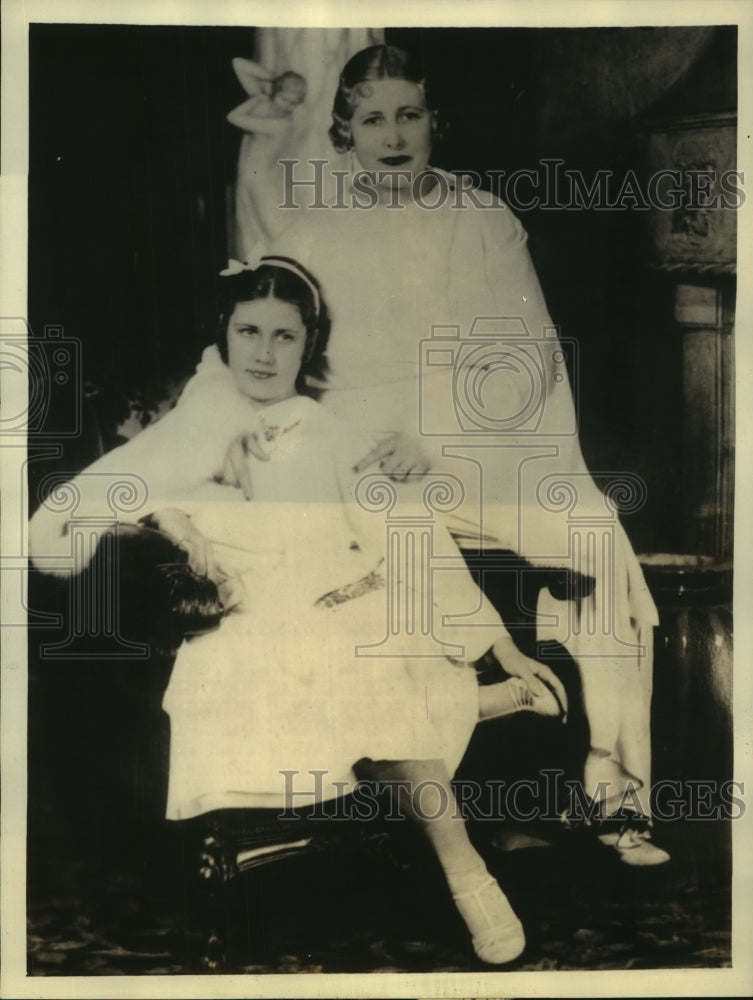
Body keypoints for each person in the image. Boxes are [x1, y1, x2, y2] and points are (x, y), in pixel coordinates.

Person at [185, 44, 668, 865]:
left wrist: (436, 440)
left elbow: (524, 359)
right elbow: (264, 337)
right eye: (372, 119)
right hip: (355, 449)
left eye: (409, 114)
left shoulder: (482, 221)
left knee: (590, 529)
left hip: (473, 445)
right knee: (373, 527)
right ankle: (420, 782)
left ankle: (614, 788)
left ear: (434, 121)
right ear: (346, 131)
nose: (394, 134)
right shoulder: (313, 229)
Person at [29, 256, 569, 965]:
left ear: (308, 344)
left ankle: (468, 837)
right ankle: (472, 756)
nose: (263, 351)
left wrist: (499, 642)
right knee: (357, 674)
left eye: (284, 336)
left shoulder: (324, 425)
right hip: (247, 625)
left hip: (351, 604)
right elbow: (53, 530)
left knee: (367, 660)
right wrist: (165, 516)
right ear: (222, 335)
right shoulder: (191, 428)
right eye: (248, 330)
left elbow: (407, 534)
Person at [227, 59, 308, 256]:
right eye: (284, 99)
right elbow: (238, 64)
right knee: (258, 235)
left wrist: (258, 99)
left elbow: (233, 117)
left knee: (276, 233)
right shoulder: (266, 105)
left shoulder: (280, 124)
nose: (287, 106)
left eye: (293, 103)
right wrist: (276, 80)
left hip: (262, 182)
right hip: (251, 179)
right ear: (275, 92)